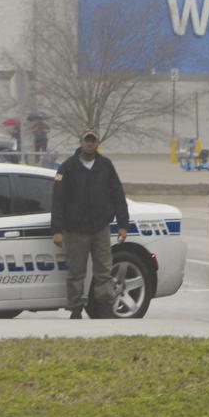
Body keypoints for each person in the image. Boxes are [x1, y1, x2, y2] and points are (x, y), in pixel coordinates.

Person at [50, 129, 129, 319]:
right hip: (75, 230)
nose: (90, 143)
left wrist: (123, 225)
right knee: (76, 273)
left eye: (93, 140)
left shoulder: (106, 165)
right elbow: (58, 200)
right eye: (87, 140)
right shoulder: (67, 167)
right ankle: (75, 309)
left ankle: (104, 307)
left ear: (97, 143)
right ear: (81, 141)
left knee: (103, 271)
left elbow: (118, 194)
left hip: (100, 228)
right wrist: (57, 230)